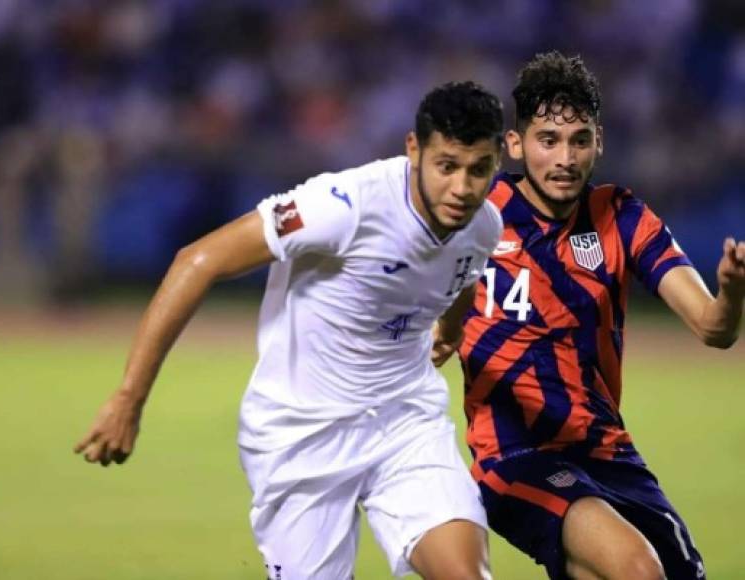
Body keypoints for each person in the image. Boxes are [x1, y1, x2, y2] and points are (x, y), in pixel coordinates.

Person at [74, 81, 506, 579]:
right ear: (414, 149)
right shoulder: (344, 205)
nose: (462, 188)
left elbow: (463, 273)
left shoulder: (484, 223)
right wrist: (130, 395)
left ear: (497, 159)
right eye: (447, 166)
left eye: (479, 170)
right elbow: (197, 260)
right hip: (302, 436)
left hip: (405, 423)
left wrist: (449, 329)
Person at [438, 51, 744, 580]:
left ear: (598, 141)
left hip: (608, 452)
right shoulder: (479, 216)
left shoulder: (622, 218)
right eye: (548, 140)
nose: (565, 157)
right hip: (515, 457)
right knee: (638, 571)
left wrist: (732, 292)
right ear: (515, 144)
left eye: (580, 139)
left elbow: (714, 328)